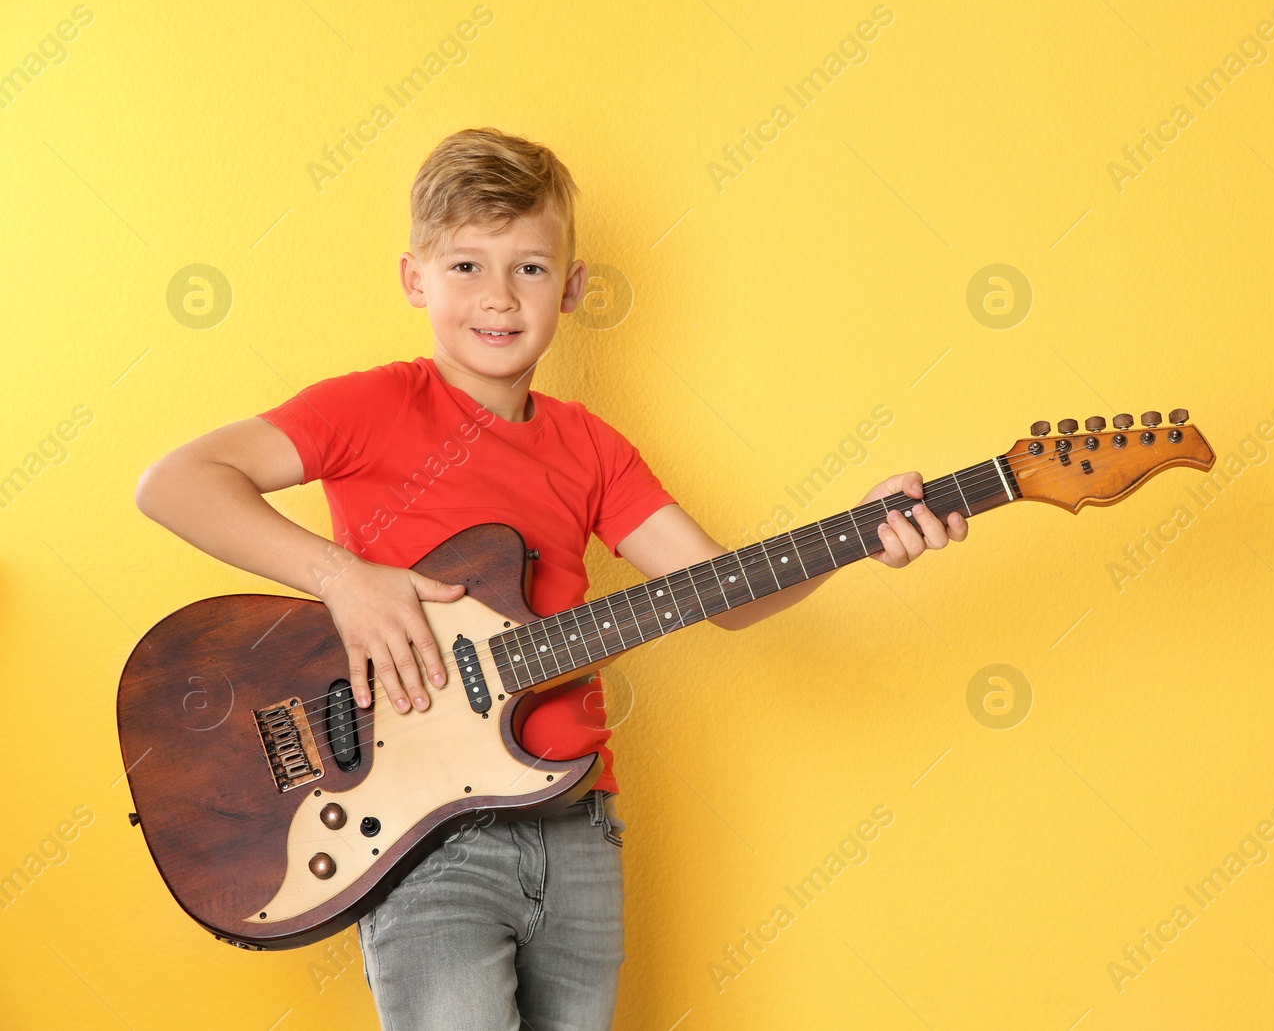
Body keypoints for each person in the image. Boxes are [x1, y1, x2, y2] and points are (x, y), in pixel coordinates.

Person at [133, 126, 968, 1030]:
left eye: (530, 268)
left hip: (577, 827)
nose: (498, 296)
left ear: (570, 288)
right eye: (465, 267)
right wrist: (345, 578)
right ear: (414, 280)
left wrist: (860, 533)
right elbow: (174, 483)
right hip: (419, 841)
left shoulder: (591, 447)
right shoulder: (372, 406)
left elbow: (721, 592)